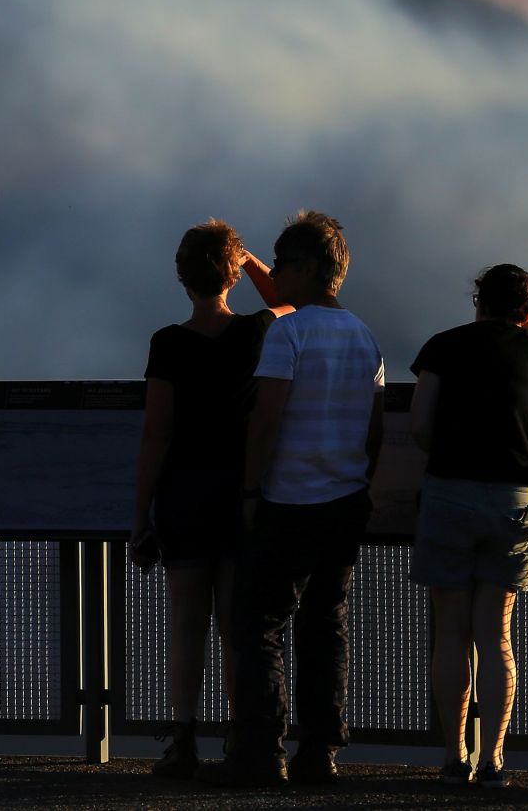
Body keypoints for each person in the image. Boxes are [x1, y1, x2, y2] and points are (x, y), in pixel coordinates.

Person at [209, 210, 385, 788]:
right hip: (346, 498)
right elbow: (375, 425)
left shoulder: (288, 333)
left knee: (259, 622)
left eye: (282, 264)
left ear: (307, 268)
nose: (276, 274)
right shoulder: (364, 336)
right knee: (325, 623)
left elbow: (267, 417)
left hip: (288, 499)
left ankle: (260, 752)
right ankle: (321, 753)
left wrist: (252, 488)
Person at [129, 219, 289, 779]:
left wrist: (139, 514)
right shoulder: (257, 331)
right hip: (242, 494)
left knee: (186, 622)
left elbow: (157, 434)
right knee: (235, 624)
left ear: (181, 278)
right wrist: (247, 259)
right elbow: (295, 299)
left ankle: (183, 739)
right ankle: (238, 737)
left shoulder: (167, 344)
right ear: (231, 275)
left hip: (183, 495)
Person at [408, 263, 528, 790]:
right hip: (516, 502)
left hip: (451, 490)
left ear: (478, 301)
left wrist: (446, 459)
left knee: (451, 631)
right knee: (495, 635)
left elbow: (420, 423)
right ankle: (493, 760)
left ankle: (455, 757)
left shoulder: (443, 346)